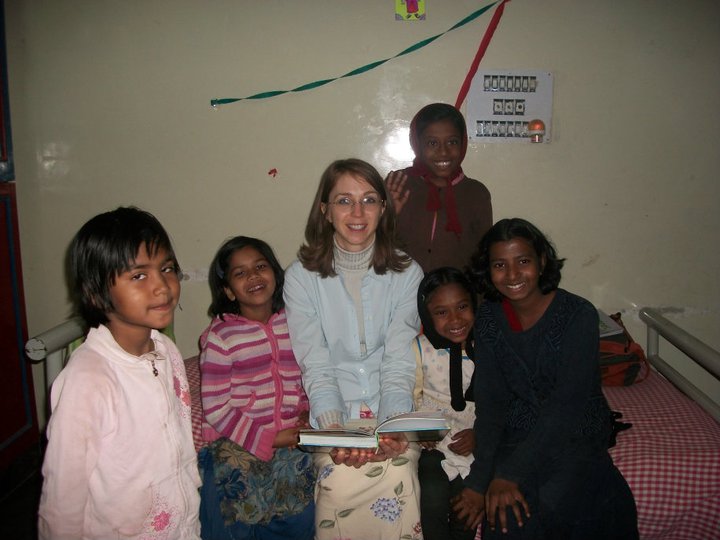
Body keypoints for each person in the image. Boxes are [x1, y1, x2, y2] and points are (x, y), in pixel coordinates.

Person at [453, 218, 638, 539]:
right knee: (505, 515)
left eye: (522, 261)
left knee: (554, 500)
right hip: (519, 431)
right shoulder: (488, 319)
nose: (512, 275)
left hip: (577, 431)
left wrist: (509, 473)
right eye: (500, 264)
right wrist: (481, 479)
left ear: (541, 261)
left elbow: (567, 405)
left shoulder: (577, 315)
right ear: (488, 269)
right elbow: (492, 403)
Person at [38, 206, 201, 540]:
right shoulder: (88, 379)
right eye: (139, 275)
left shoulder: (165, 350)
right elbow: (62, 499)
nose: (162, 286)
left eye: (167, 268)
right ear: (98, 293)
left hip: (181, 528)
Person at [283, 158, 424, 539]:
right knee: (338, 478)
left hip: (391, 410)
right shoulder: (300, 278)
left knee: (398, 470)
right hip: (333, 415)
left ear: (383, 208)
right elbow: (316, 364)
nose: (357, 212)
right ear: (325, 211)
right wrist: (335, 433)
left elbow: (398, 362)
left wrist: (391, 429)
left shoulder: (408, 273)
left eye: (369, 199)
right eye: (344, 201)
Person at [198, 236, 315, 540]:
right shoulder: (221, 337)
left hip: (290, 437)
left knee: (303, 515)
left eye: (260, 266)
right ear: (227, 290)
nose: (253, 276)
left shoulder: (295, 323)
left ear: (275, 273)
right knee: (231, 516)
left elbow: (307, 378)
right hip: (236, 439)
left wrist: (304, 411)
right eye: (240, 273)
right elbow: (215, 408)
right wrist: (270, 438)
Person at [385, 102, 493, 272]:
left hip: (457, 294)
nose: (443, 152)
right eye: (432, 143)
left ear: (463, 143)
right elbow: (374, 244)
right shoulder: (399, 184)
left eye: (452, 142)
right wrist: (386, 217)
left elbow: (484, 256)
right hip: (401, 292)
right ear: (417, 144)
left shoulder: (476, 193)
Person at [415, 267, 478, 540]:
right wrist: (420, 430)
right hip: (432, 443)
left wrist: (481, 435)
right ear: (427, 316)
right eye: (441, 312)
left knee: (468, 502)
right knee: (431, 495)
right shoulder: (418, 348)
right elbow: (408, 394)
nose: (455, 319)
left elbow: (501, 401)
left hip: (473, 443)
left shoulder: (488, 347)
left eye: (462, 307)